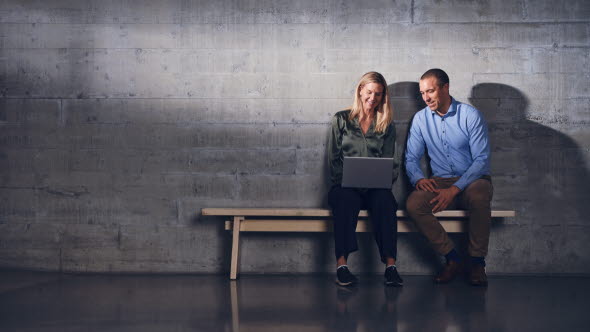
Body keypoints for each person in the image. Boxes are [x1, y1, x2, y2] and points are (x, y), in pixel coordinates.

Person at [405, 68, 493, 286]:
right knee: (414, 203)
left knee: (479, 197)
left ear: (446, 88)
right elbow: (410, 158)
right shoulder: (420, 120)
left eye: (431, 91)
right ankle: (453, 259)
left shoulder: (470, 115)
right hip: (440, 181)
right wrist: (418, 179)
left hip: (473, 179)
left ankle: (477, 263)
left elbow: (481, 160)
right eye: (422, 93)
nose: (426, 98)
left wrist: (455, 189)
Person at [327, 71, 402, 287]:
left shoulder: (386, 124)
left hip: (375, 188)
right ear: (360, 90)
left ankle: (391, 267)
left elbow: (392, 161)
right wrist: (347, 179)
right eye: (369, 92)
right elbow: (333, 160)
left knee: (386, 202)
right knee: (344, 201)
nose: (373, 98)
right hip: (345, 186)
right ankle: (342, 266)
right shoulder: (341, 119)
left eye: (378, 94)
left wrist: (383, 180)